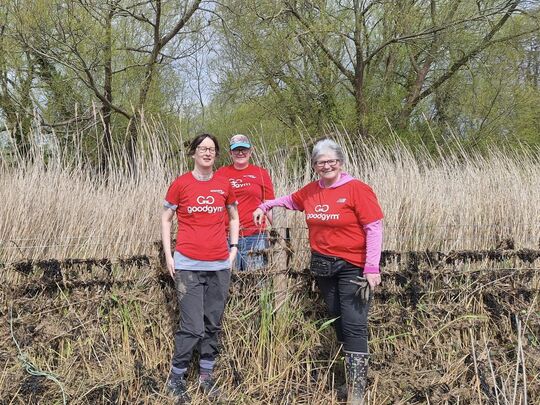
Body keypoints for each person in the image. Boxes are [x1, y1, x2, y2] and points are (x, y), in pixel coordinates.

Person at [253, 138, 383, 405]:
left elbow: (374, 227)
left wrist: (371, 266)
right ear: (314, 165)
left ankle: (357, 394)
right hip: (323, 265)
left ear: (340, 162)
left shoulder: (357, 189)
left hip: (353, 267)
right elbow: (291, 200)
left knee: (354, 325)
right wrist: (266, 205)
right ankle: (348, 379)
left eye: (331, 161)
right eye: (320, 162)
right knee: (337, 320)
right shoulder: (311, 191)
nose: (326, 166)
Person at [161, 133, 239, 402]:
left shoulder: (224, 184)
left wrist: (234, 248)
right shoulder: (181, 184)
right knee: (192, 326)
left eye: (212, 149)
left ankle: (206, 377)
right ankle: (176, 379)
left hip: (219, 265)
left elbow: (234, 216)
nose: (207, 153)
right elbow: (166, 217)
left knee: (212, 324)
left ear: (216, 155)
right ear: (193, 152)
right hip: (188, 266)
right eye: (202, 148)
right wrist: (169, 255)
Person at [215, 134, 275, 271]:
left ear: (250, 151)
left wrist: (278, 231)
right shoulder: (221, 174)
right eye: (236, 150)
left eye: (244, 149)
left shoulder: (261, 173)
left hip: (255, 236)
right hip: (227, 237)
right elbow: (216, 205)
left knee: (256, 281)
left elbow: (269, 205)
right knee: (230, 281)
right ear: (231, 153)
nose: (240, 153)